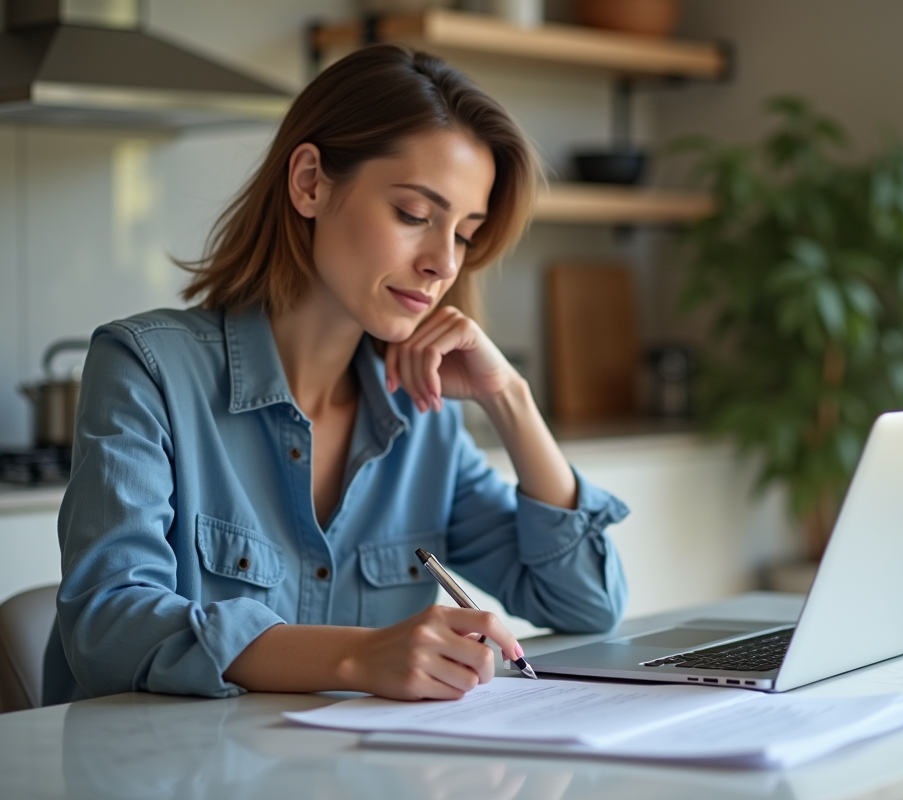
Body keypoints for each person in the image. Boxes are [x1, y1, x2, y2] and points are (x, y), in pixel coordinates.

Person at [42, 45, 629, 706]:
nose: (443, 263)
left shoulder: (422, 419)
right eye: (414, 215)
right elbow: (107, 626)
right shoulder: (146, 370)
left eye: (465, 234)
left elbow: (586, 603)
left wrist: (511, 399)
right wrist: (357, 655)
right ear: (310, 182)